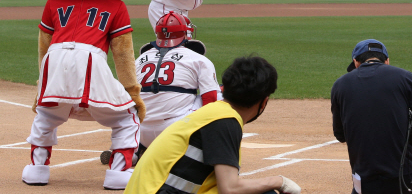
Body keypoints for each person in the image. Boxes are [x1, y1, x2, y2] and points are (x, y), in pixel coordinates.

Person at [124, 56, 301, 194]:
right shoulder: (225, 121)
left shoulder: (213, 112)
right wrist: (280, 181)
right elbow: (230, 189)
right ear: (263, 102)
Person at [100, 11, 221, 166]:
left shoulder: (139, 60)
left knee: (135, 96)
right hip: (176, 131)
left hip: (140, 130)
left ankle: (133, 151)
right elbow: (210, 100)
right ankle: (198, 151)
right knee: (218, 94)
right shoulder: (198, 59)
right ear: (185, 33)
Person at [331, 40, 412, 194]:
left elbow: (340, 135)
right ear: (387, 61)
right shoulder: (406, 77)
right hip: (404, 178)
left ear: (356, 62)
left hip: (364, 178)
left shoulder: (340, 84)